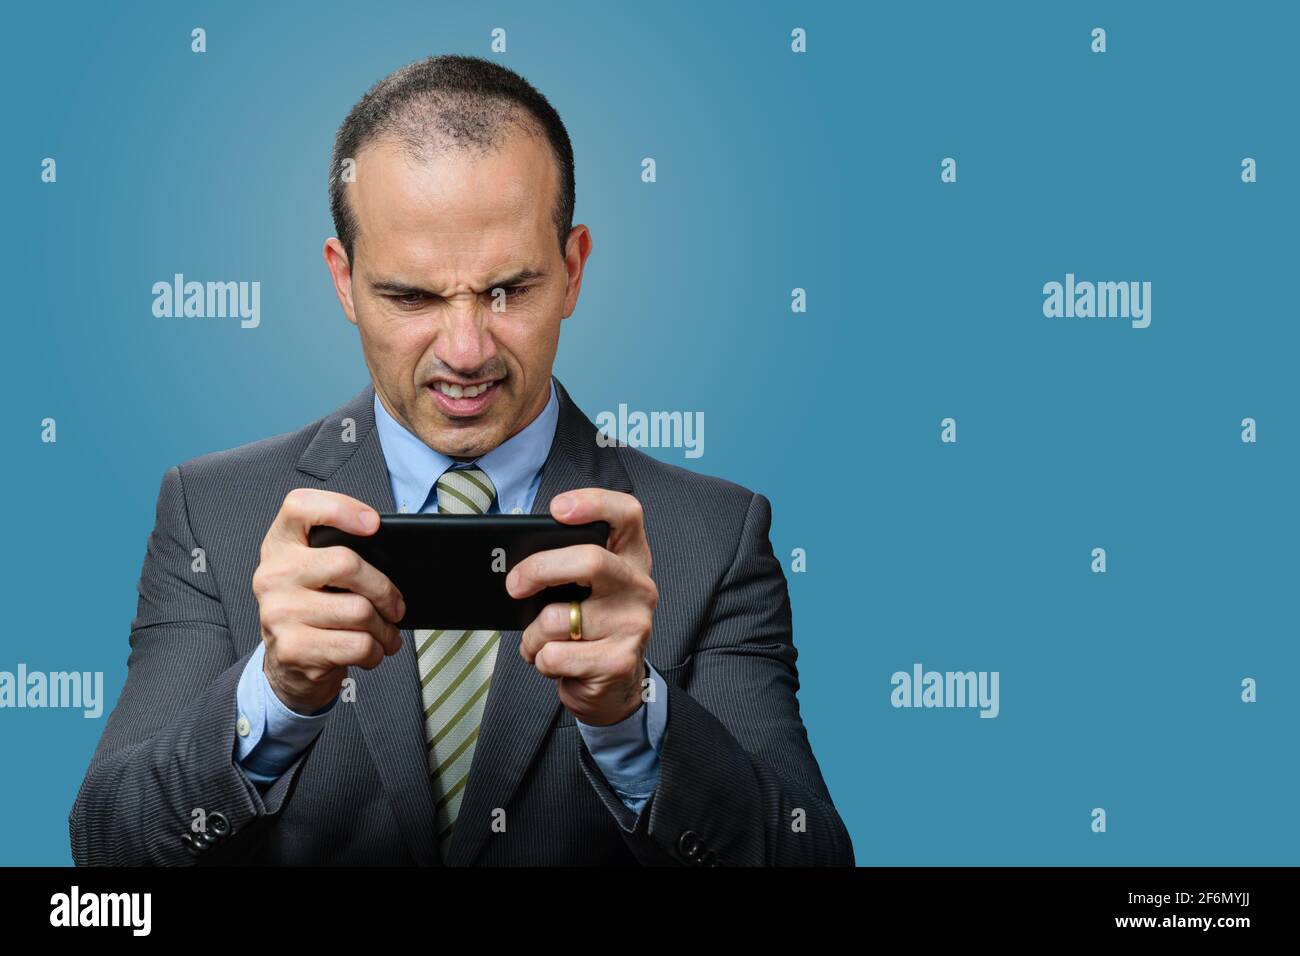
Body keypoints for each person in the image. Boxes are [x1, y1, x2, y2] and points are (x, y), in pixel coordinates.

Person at [69, 54, 853, 866]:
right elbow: (106, 855)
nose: (467, 350)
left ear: (574, 269)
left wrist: (635, 718)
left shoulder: (714, 536)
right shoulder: (213, 513)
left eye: (509, 290)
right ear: (343, 281)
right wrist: (269, 698)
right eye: (411, 297)